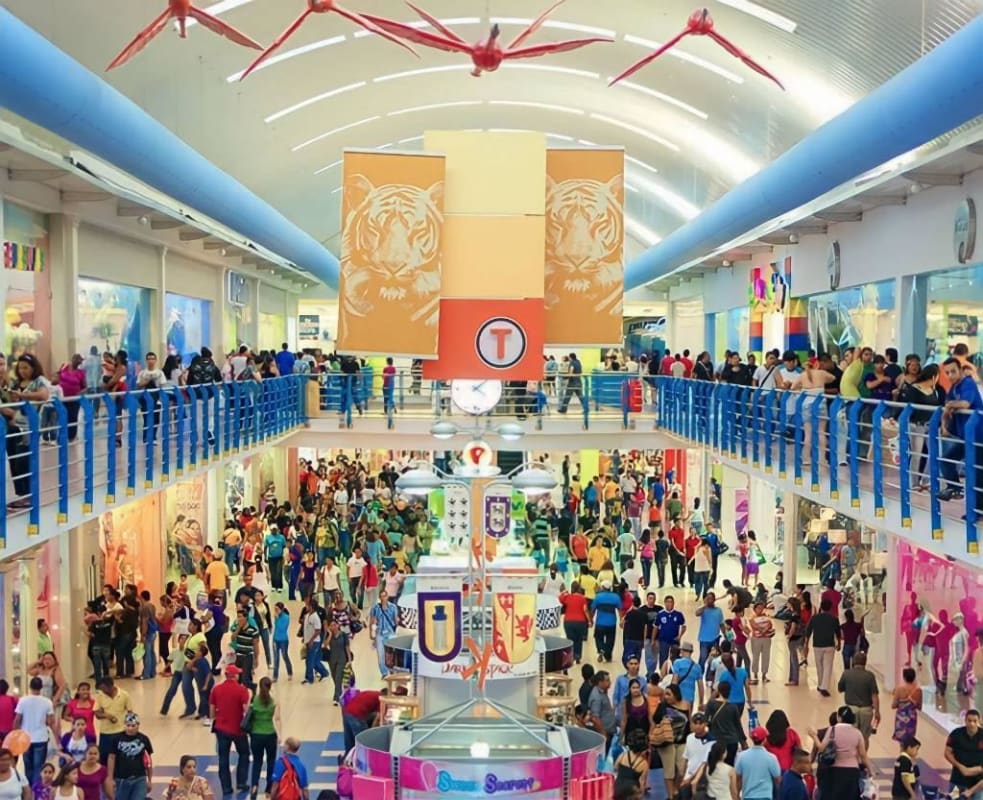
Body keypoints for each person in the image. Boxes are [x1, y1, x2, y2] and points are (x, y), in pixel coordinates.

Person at [809, 706, 872, 800]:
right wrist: (870, 770)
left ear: (839, 717)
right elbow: (863, 755)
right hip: (852, 772)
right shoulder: (857, 733)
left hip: (835, 771)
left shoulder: (832, 730)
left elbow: (822, 748)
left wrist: (814, 736)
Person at [209, 665, 250, 797]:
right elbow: (246, 710)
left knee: (223, 758)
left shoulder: (216, 689)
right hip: (238, 730)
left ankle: (226, 788)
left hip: (221, 729)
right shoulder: (242, 690)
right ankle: (241, 782)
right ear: (235, 676)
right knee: (244, 754)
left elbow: (211, 713)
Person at [14, 676, 56, 784]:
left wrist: (16, 734)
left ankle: (28, 790)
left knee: (28, 767)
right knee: (38, 767)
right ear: (41, 687)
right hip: (41, 737)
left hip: (25, 738)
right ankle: (36, 791)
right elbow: (51, 721)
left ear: (30, 686)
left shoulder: (23, 700)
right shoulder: (47, 702)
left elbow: (17, 719)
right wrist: (57, 737)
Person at [248, 678, 282, 800]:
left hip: (256, 735)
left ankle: (254, 786)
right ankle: (268, 789)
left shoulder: (254, 700)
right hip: (270, 735)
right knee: (271, 762)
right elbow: (277, 719)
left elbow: (248, 713)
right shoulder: (274, 701)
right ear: (270, 686)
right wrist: (280, 735)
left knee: (257, 762)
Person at [837, 651, 880, 746]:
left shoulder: (846, 674)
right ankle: (863, 757)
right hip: (866, 710)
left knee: (851, 736)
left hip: (851, 710)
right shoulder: (870, 676)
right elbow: (874, 695)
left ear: (854, 661)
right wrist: (877, 711)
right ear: (865, 662)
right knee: (864, 737)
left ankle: (853, 757)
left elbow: (840, 689)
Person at [106, 713, 153, 800]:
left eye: (133, 726)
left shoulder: (144, 739)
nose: (130, 728)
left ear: (138, 725)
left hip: (139, 778)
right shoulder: (116, 739)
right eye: (128, 725)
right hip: (121, 779)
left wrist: (149, 780)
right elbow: (111, 758)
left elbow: (148, 761)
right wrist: (110, 778)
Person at [804, 598, 841, 697]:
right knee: (828, 666)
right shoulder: (834, 619)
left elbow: (808, 631)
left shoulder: (815, 618)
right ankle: (824, 686)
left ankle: (821, 684)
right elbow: (838, 633)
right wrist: (839, 644)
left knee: (819, 665)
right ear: (830, 608)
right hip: (829, 645)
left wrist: (806, 643)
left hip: (817, 645)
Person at [944, 707, 983, 799]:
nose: (972, 724)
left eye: (974, 721)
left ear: (979, 721)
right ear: (965, 720)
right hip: (957, 779)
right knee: (953, 798)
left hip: (977, 782)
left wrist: (978, 769)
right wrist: (960, 766)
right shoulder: (956, 734)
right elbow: (947, 753)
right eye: (969, 720)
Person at [733, 727, 780, 800]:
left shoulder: (741, 756)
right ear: (765, 740)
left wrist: (737, 795)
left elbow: (738, 778)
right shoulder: (771, 758)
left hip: (747, 796)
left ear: (752, 739)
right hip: (765, 796)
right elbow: (777, 779)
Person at [341, 689, 383, 754]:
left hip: (347, 712)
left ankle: (347, 760)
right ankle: (362, 759)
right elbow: (378, 718)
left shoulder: (373, 693)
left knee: (349, 742)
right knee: (363, 741)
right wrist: (371, 732)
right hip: (357, 715)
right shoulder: (382, 699)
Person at [368, 590, 398, 678]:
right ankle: (384, 673)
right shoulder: (375, 608)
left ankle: (392, 670)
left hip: (390, 633)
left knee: (391, 653)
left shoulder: (393, 607)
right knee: (381, 655)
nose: (383, 598)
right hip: (379, 633)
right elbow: (372, 621)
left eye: (384, 596)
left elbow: (395, 620)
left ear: (387, 596)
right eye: (381, 596)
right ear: (379, 597)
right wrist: (371, 632)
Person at [560, 583, 591, 665]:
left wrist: (564, 592)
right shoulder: (582, 598)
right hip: (580, 622)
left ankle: (571, 656)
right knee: (579, 640)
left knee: (570, 639)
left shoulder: (567, 597)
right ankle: (577, 656)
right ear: (579, 588)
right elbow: (585, 610)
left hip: (568, 622)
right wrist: (589, 621)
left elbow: (560, 598)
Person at [591, 581, 622, 663]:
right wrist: (621, 620)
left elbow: (593, 609)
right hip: (611, 622)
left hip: (600, 622)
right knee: (610, 640)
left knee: (598, 638)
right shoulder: (616, 597)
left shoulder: (598, 597)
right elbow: (620, 610)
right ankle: (608, 655)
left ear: (602, 587)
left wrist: (590, 620)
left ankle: (601, 649)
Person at [323, 620, 352, 707]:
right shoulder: (329, 635)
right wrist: (330, 634)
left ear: (338, 625)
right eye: (331, 625)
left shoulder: (343, 635)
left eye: (334, 625)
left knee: (339, 677)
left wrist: (349, 660)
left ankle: (336, 697)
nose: (333, 627)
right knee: (335, 678)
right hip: (332, 659)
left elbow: (347, 647)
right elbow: (325, 645)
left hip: (342, 659)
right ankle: (340, 692)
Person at [586, 671, 617, 750]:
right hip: (605, 733)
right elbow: (595, 718)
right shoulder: (597, 697)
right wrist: (603, 732)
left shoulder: (602, 692)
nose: (610, 682)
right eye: (607, 680)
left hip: (609, 731)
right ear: (600, 682)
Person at [891, 667, 922, 744]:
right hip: (912, 717)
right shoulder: (918, 690)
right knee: (910, 740)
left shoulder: (899, 689)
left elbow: (893, 705)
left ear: (904, 677)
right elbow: (919, 707)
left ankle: (902, 753)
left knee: (901, 740)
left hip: (901, 716)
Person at [653, 596, 686, 665]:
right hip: (663, 640)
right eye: (667, 602)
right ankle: (662, 673)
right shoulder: (660, 614)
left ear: (673, 603)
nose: (669, 604)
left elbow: (684, 626)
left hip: (675, 641)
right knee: (663, 658)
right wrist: (653, 640)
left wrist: (679, 636)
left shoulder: (678, 614)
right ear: (665, 603)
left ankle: (675, 673)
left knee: (675, 659)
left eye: (671, 602)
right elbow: (655, 627)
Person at [695, 593, 724, 666]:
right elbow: (697, 613)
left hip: (715, 639)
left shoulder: (719, 610)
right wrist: (705, 605)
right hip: (704, 639)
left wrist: (727, 636)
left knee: (714, 660)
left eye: (711, 598)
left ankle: (710, 676)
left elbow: (721, 624)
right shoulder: (703, 609)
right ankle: (700, 675)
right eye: (708, 598)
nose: (709, 600)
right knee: (703, 658)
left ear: (714, 600)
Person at [271, 603, 293, 682]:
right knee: (276, 658)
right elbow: (275, 629)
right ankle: (275, 676)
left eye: (277, 609)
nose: (276, 611)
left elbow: (282, 628)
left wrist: (276, 619)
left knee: (284, 656)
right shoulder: (275, 617)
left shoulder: (286, 617)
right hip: (275, 640)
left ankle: (290, 672)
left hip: (283, 640)